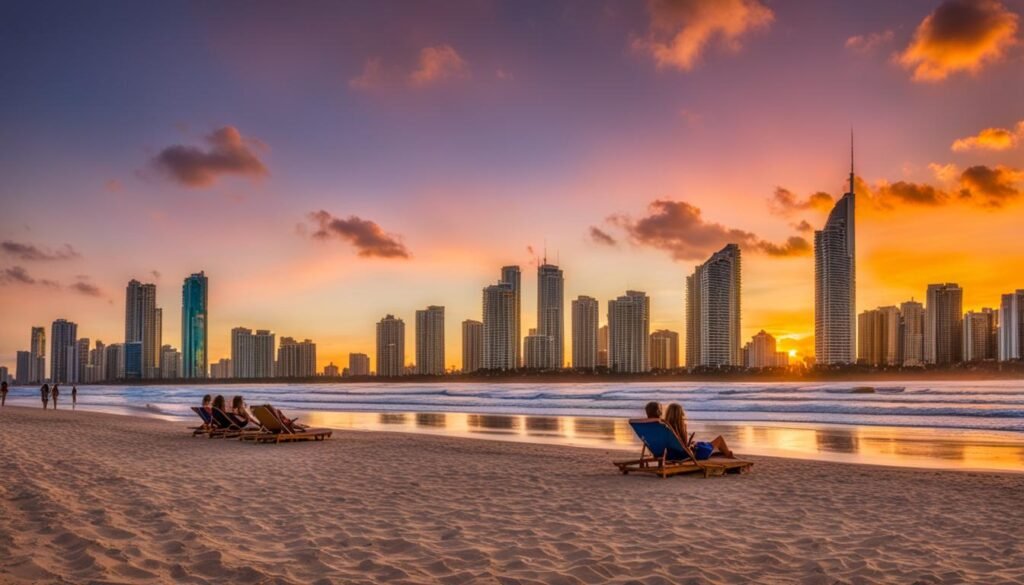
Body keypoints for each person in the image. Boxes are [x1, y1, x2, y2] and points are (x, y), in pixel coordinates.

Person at [663, 402, 733, 459]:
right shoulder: (680, 428)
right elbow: (685, 447)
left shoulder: (664, 428)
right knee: (719, 440)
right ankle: (731, 458)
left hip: (674, 455)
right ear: (680, 415)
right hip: (689, 455)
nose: (683, 415)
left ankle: (726, 453)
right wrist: (691, 445)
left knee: (701, 443)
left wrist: (691, 444)